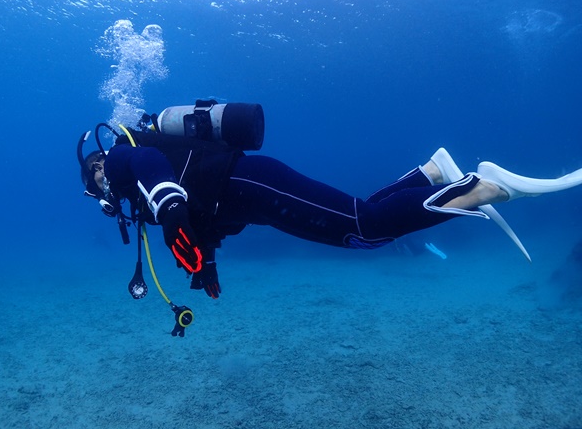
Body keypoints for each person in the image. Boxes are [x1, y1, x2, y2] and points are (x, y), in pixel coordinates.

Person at [78, 102, 582, 300]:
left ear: (98, 164)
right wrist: (205, 263)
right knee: (363, 223)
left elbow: (150, 165)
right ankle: (432, 172)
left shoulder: (122, 159)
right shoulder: (136, 192)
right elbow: (200, 213)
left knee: (366, 231)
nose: (102, 190)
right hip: (254, 193)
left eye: (95, 181)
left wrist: (169, 212)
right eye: (96, 187)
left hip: (254, 184)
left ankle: (483, 187)